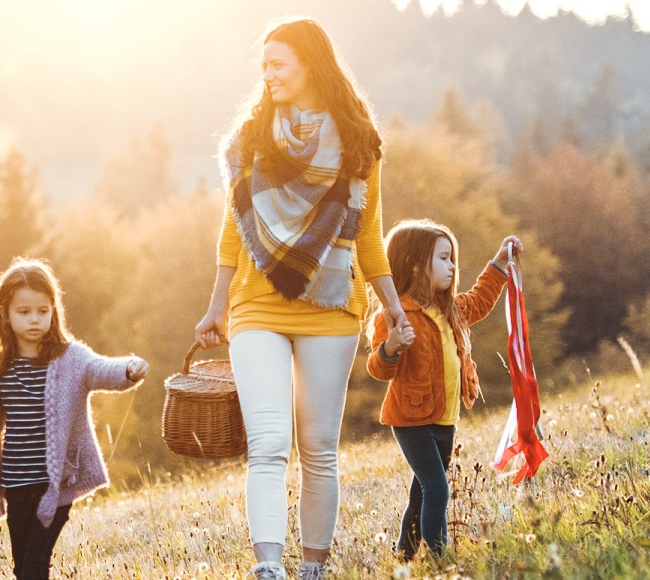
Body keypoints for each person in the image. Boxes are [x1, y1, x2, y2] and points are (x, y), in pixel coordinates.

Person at [190, 18, 408, 580]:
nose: (268, 75)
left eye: (277, 63)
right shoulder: (250, 141)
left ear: (310, 64)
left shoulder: (359, 143)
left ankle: (313, 567)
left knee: (318, 449)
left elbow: (367, 238)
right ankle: (269, 566)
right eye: (263, 66)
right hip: (256, 307)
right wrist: (216, 306)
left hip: (332, 307)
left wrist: (395, 308)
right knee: (268, 443)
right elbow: (233, 231)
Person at [0, 258, 148, 580]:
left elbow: (101, 370)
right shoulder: (1, 368)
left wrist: (128, 369)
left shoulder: (71, 358)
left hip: (53, 486)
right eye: (24, 312)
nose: (34, 320)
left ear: (54, 311)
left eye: (43, 311)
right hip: (15, 484)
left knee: (34, 565)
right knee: (22, 569)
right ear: (5, 314)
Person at [366, 219, 520, 559]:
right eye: (444, 258)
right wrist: (391, 347)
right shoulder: (397, 314)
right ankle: (440, 560)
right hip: (411, 420)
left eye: (453, 259)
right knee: (437, 489)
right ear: (418, 265)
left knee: (423, 493)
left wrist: (500, 262)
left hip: (445, 418)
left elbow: (479, 300)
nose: (452, 266)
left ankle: (404, 555)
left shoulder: (449, 309)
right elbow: (378, 369)